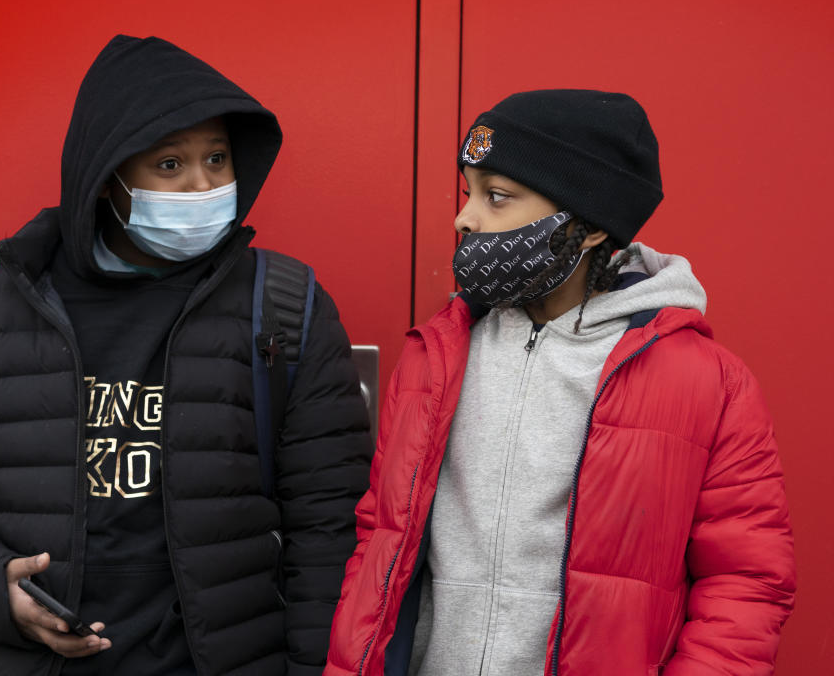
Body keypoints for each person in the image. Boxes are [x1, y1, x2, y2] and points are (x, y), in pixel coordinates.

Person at [0, 35, 372, 676]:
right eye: (169, 165)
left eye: (218, 159)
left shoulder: (283, 306)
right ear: (105, 177)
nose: (203, 185)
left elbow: (329, 519)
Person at [324, 90, 795, 675]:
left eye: (497, 197)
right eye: (469, 192)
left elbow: (745, 581)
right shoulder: (436, 355)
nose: (465, 217)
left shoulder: (706, 382)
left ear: (588, 227)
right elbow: (380, 539)